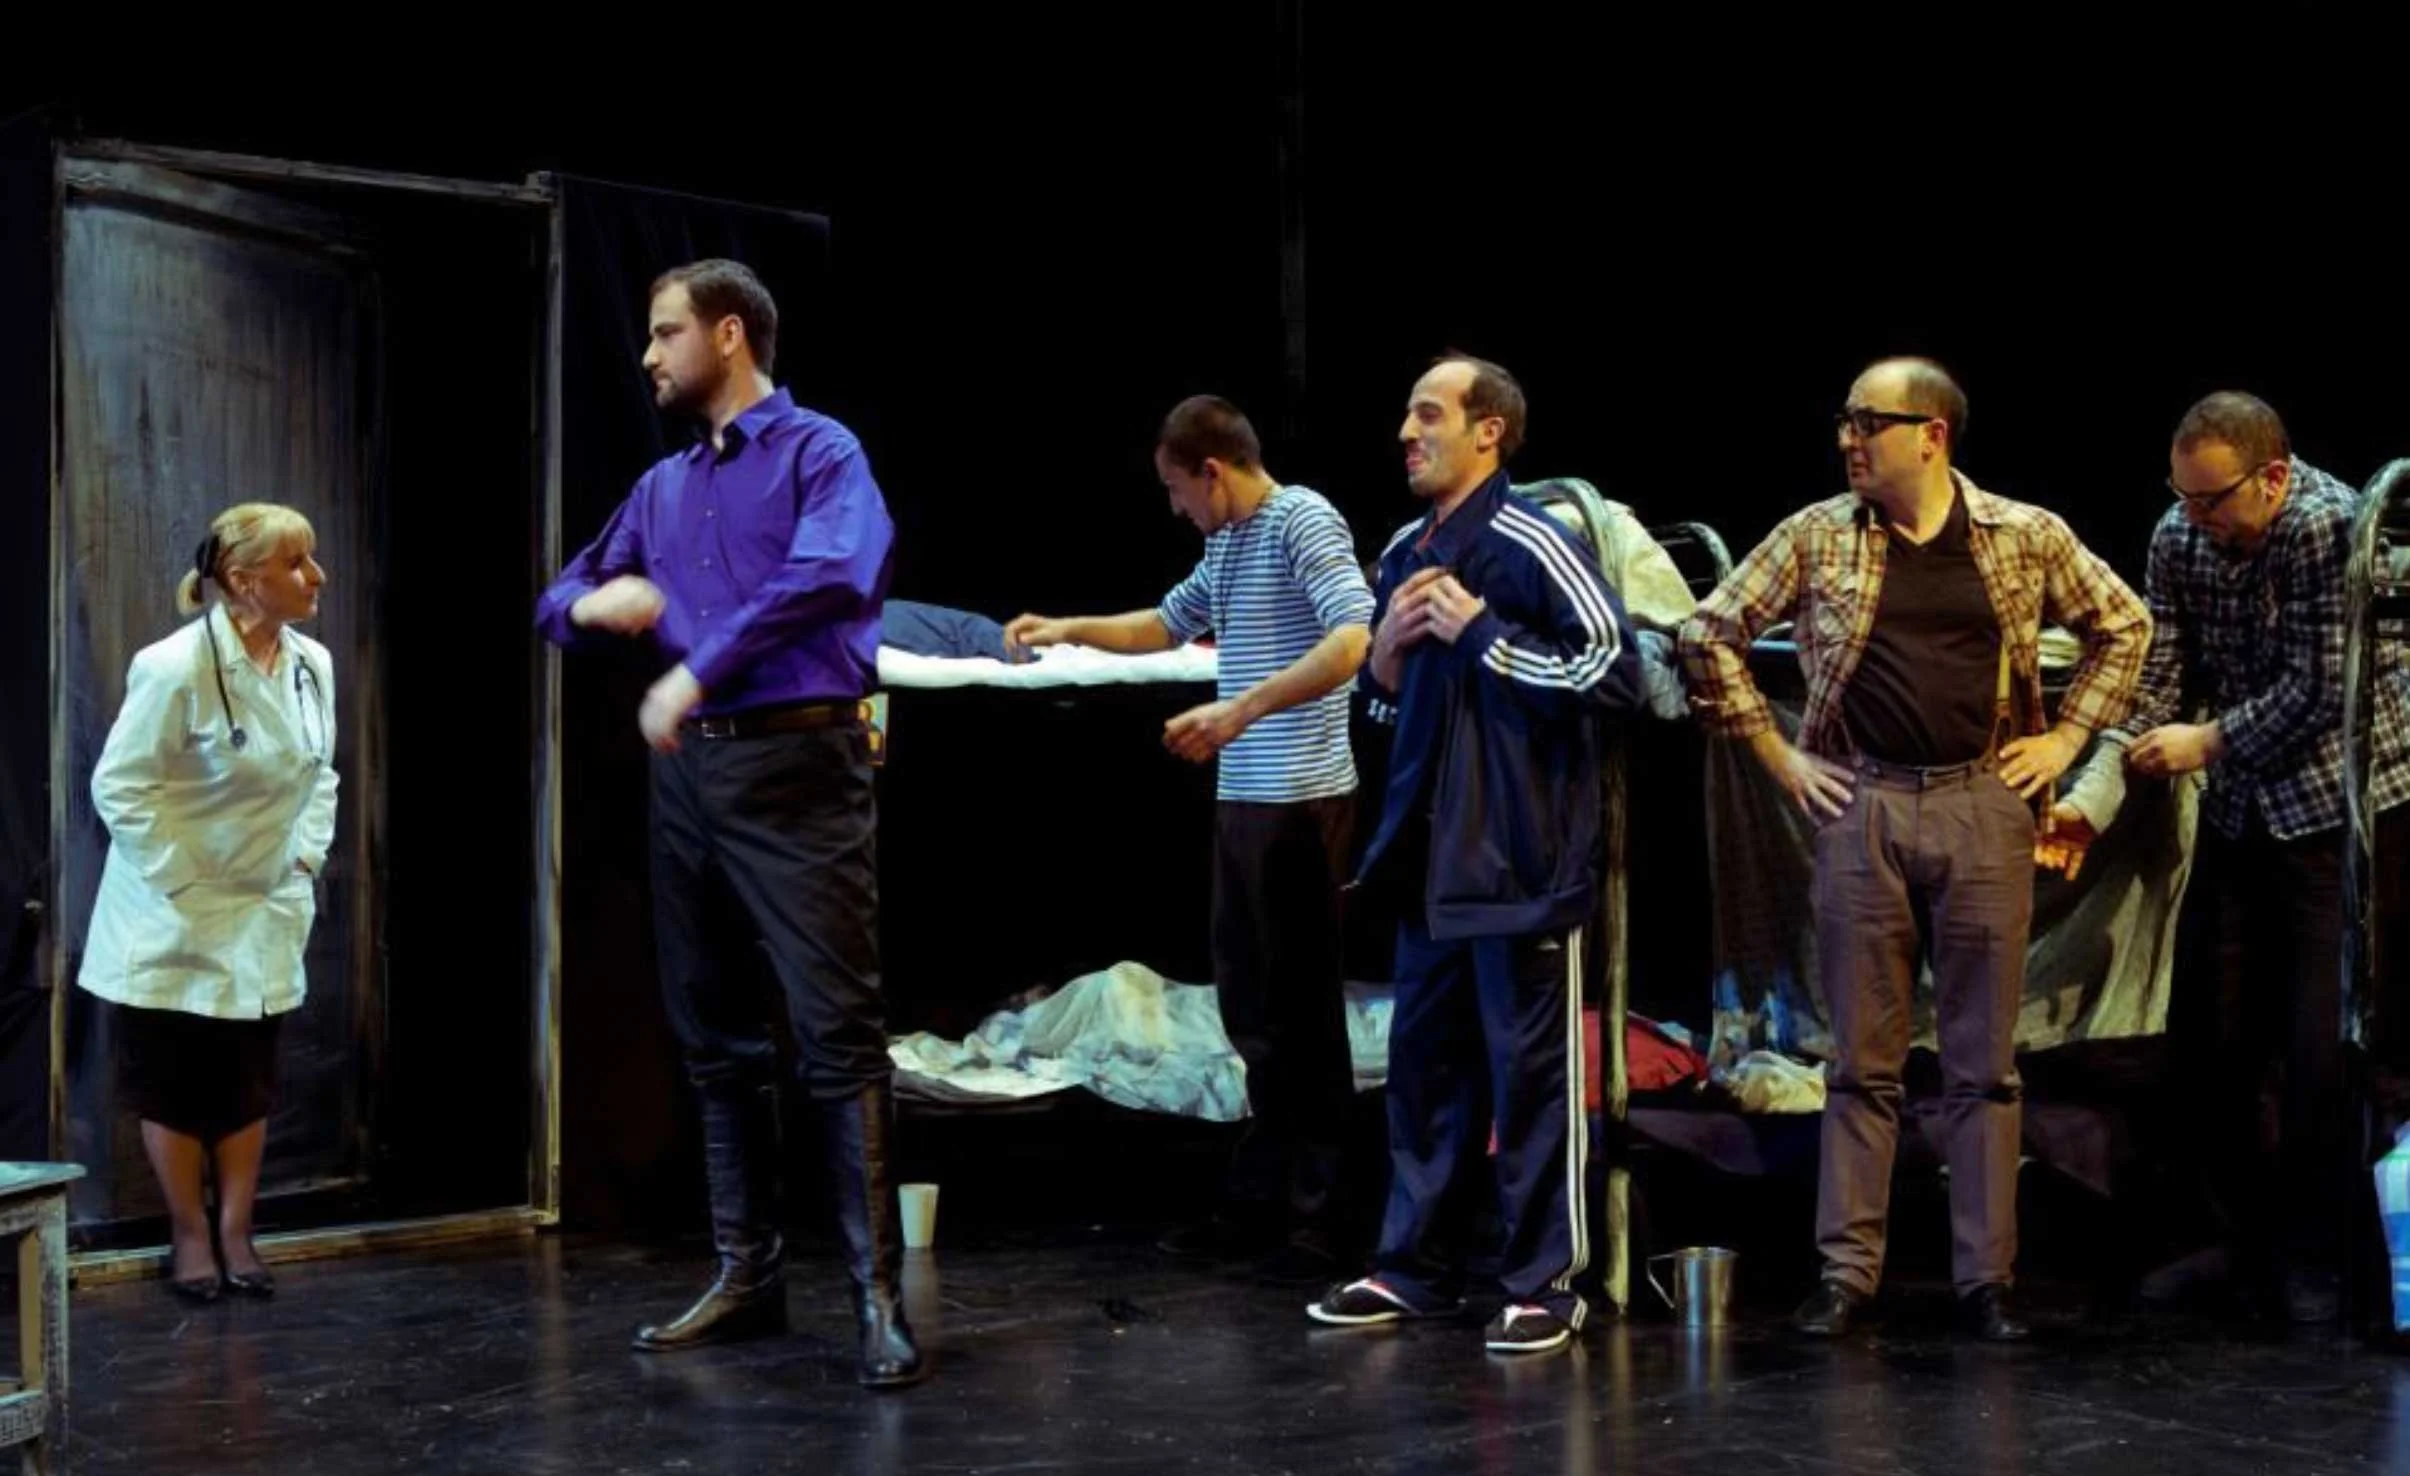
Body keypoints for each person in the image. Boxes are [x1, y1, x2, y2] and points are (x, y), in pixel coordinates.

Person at [1679, 357, 2149, 1341]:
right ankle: (1847, 1273)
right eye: (1845, 421)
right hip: (1867, 805)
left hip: (1982, 803)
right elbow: (1708, 633)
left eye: (1868, 422)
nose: (1847, 439)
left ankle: (1988, 1281)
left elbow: (2123, 623)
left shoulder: (2021, 534)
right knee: (1862, 1060)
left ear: (1931, 435)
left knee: (1983, 1064)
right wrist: (1776, 754)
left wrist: (2066, 741)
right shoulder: (1817, 534)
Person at [534, 259, 921, 1388]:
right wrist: (590, 603)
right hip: (692, 778)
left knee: (837, 1033)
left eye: (667, 333)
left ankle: (877, 1299)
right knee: (713, 1034)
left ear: (732, 334)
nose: (648, 355)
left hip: (800, 763)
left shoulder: (820, 453)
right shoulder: (661, 489)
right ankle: (747, 1275)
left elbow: (832, 575)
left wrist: (697, 667)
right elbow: (557, 598)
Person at [1308, 354, 1642, 1355]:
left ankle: (1544, 1284)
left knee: (1530, 1084)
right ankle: (1412, 1268)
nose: (1405, 434)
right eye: (1408, 417)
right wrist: (1383, 665)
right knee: (1422, 1076)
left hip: (1521, 861)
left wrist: (1483, 632)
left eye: (1428, 415)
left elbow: (1616, 671)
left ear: (1488, 430)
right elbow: (1384, 717)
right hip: (1427, 862)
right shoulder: (1403, 551)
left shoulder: (1537, 539)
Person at [2051, 392, 2410, 1323]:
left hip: (2340, 812)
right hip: (2245, 809)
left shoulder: (2330, 529)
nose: (2193, 517)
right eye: (2183, 496)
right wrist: (2096, 792)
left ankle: (2321, 1256)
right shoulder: (2181, 535)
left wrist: (2206, 743)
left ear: (2273, 477)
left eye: (2211, 499)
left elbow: (2322, 688)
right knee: (2214, 1036)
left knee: (2321, 1047)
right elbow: (2161, 670)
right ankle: (2234, 1246)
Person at [1003, 395, 1375, 1284]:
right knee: (1250, 1009)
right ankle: (1260, 1201)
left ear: (1212, 471)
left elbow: (1354, 637)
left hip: (1303, 799)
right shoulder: (1228, 543)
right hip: (1245, 802)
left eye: (1177, 489)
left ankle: (1323, 1218)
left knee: (1303, 1016)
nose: (1175, 508)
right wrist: (1068, 630)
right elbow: (1166, 624)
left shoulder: (1301, 519)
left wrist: (1239, 711)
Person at [82, 502, 337, 1302]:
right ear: (243, 580)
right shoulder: (173, 667)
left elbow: (321, 774)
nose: (317, 576)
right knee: (173, 1082)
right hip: (174, 911)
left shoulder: (311, 664)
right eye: (296, 563)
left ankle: (236, 1231)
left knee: (246, 1080)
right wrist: (184, 877)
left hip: (264, 905)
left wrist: (305, 858)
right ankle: (190, 1236)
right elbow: (120, 787)